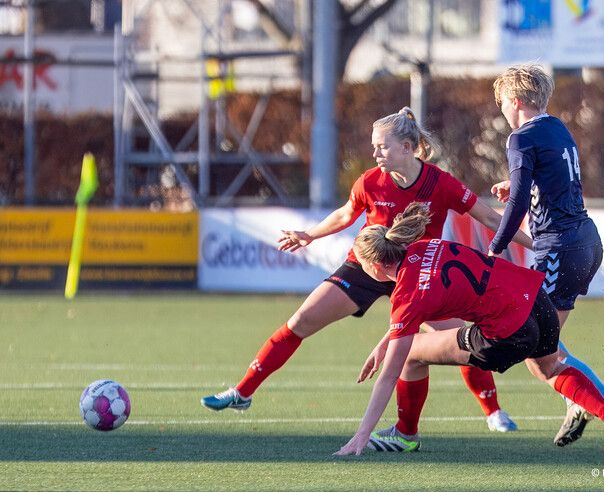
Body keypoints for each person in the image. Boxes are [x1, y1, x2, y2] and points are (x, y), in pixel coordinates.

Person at [200, 107, 532, 433]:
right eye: (374, 145)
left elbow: (489, 218)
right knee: (300, 321)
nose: (374, 153)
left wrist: (535, 244)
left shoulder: (440, 183)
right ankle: (243, 392)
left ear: (406, 147)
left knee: (462, 339)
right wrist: (309, 235)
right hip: (368, 266)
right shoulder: (370, 182)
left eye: (381, 146)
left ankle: (493, 411)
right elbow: (346, 215)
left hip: (420, 276)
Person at [334, 202, 604, 456]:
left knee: (411, 354)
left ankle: (405, 435)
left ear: (375, 267)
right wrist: (384, 342)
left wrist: (361, 435)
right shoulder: (426, 246)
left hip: (507, 330)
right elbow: (416, 309)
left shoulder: (405, 295)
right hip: (534, 299)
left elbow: (389, 375)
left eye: (361, 266)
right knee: (550, 368)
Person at [487, 64, 604, 446]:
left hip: (559, 249)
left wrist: (495, 246)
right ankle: (584, 402)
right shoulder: (556, 126)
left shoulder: (520, 138)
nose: (503, 109)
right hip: (585, 242)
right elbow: (557, 177)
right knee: (542, 343)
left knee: (537, 351)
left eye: (503, 102)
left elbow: (520, 201)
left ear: (516, 101)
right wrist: (519, 181)